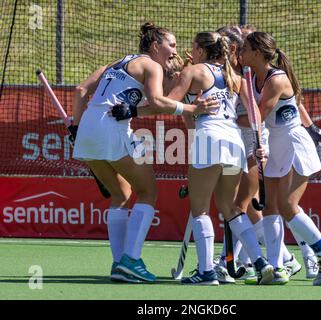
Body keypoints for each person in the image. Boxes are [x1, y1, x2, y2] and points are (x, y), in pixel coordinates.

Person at [72, 22, 218, 283]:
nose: (174, 51)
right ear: (154, 46)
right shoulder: (151, 66)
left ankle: (120, 263)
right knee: (148, 191)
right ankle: (131, 260)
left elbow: (80, 90)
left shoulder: (118, 61)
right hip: (113, 129)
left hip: (87, 131)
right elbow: (158, 102)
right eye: (171, 45)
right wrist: (192, 110)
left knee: (121, 193)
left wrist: (75, 125)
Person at [167, 31, 274, 285]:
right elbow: (255, 115)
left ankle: (206, 273)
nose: (190, 52)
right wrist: (260, 145)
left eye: (194, 47)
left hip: (209, 140)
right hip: (234, 143)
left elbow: (167, 102)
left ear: (202, 51)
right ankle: (260, 262)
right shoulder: (234, 77)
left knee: (200, 209)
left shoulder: (193, 72)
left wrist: (142, 107)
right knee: (230, 209)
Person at [240, 31, 321, 286]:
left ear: (257, 52)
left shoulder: (276, 80)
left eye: (245, 48)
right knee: (271, 208)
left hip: (295, 143)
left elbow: (257, 117)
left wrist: (218, 118)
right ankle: (276, 268)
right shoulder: (252, 76)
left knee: (287, 205)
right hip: (276, 143)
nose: (241, 52)